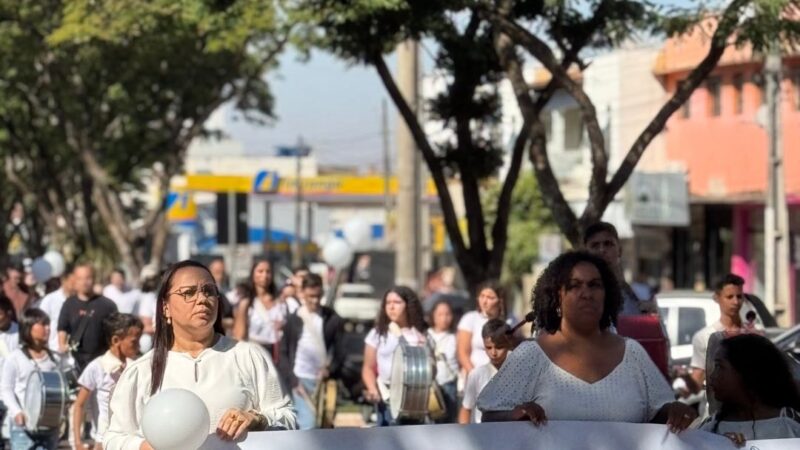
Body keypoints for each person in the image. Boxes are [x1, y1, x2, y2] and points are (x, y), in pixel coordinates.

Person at [477, 251, 696, 431]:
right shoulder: (530, 355)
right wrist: (514, 415)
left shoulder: (633, 353)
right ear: (557, 296)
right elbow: (488, 417)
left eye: (594, 285)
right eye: (574, 286)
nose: (586, 294)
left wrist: (673, 412)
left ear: (606, 294)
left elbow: (659, 414)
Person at [103, 260, 296, 450]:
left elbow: (287, 417)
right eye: (188, 293)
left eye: (209, 291)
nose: (202, 299)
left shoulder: (247, 356)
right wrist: (143, 446)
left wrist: (256, 419)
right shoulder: (142, 371)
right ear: (165, 308)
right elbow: (114, 438)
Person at [698, 334, 800, 445]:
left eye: (719, 367)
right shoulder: (711, 428)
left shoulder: (790, 426)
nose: (712, 376)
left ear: (747, 372)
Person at [278, 273, 344, 430]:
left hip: (323, 381)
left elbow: (340, 351)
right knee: (308, 424)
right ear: (303, 293)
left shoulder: (332, 318)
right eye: (310, 296)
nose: (315, 300)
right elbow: (284, 351)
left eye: (318, 295)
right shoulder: (295, 319)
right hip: (301, 379)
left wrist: (331, 369)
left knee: (324, 424)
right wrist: (292, 379)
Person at [73, 313, 143, 450]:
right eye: (134, 342)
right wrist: (77, 442)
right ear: (116, 340)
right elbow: (79, 405)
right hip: (104, 439)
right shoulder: (98, 367)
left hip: (131, 438)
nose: (138, 347)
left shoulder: (137, 366)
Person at [362, 286, 427, 426]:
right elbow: (368, 367)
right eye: (388, 302)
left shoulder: (419, 335)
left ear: (408, 305)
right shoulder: (378, 334)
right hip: (386, 397)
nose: (391, 307)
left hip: (413, 400)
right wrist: (373, 389)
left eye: (397, 303)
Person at [0, 309, 63, 450]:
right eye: (42, 325)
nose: (48, 329)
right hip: (22, 428)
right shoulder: (15, 358)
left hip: (49, 427)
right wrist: (17, 411)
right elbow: (6, 389)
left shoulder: (54, 359)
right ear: (29, 328)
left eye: (48, 324)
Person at [583, 222, 657, 315]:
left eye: (608, 244)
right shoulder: (580, 291)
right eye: (595, 245)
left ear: (620, 251)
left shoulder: (628, 290)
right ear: (585, 253)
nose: (602, 250)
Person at [58, 264, 118, 373]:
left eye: (88, 278)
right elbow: (62, 328)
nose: (84, 282)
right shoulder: (69, 304)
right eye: (80, 279)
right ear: (74, 280)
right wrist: (62, 345)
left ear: (94, 279)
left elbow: (115, 331)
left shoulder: (108, 305)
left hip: (102, 361)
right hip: (76, 362)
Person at [690, 273, 747, 388]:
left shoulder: (753, 334)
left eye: (739, 296)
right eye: (729, 297)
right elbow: (698, 378)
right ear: (717, 298)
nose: (735, 302)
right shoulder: (704, 337)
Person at [459, 319, 510, 424]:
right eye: (489, 347)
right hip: (483, 432)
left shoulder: (521, 370)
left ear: (509, 342)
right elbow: (466, 409)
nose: (494, 353)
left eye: (499, 347)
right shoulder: (476, 375)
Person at [233, 259, 285, 361]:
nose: (264, 275)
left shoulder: (280, 301)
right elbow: (239, 335)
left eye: (268, 271)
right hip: (255, 353)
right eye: (260, 271)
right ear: (253, 274)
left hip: (279, 353)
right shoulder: (246, 303)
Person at [457, 281, 511, 375]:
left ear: (500, 300)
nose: (484, 301)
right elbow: (463, 353)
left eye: (490, 297)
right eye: (482, 296)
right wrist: (474, 375)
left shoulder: (510, 320)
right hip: (476, 375)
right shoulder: (470, 319)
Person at [427, 300, 459, 424]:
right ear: (433, 316)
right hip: (430, 386)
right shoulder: (426, 336)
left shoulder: (455, 337)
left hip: (449, 383)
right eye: (440, 314)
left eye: (447, 314)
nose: (444, 318)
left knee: (448, 422)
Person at [38, 266, 73, 355]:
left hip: (74, 355)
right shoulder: (49, 300)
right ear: (63, 280)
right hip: (53, 353)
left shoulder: (82, 302)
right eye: (73, 281)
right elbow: (41, 325)